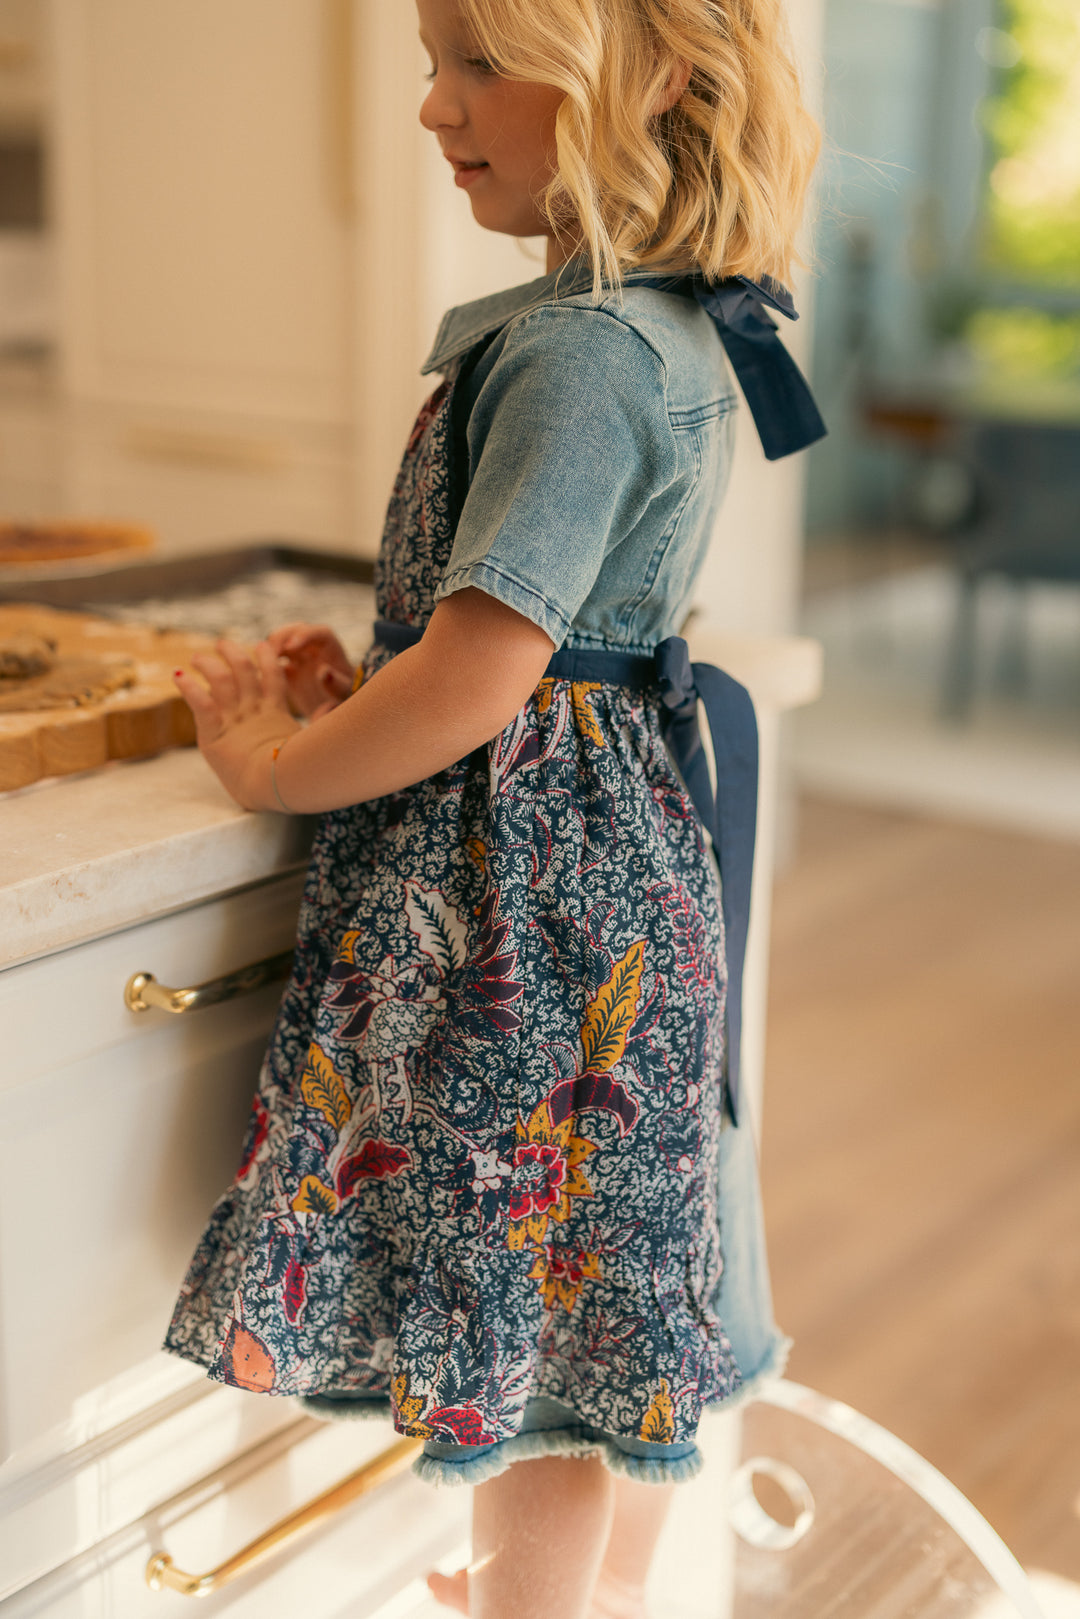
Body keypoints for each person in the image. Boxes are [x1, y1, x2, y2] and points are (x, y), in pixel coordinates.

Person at [166, 0, 823, 1613]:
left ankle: (534, 1607)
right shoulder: (664, 319)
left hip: (525, 899)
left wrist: (269, 766)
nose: (431, 107)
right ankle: (584, 1597)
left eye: (479, 60)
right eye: (431, 58)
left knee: (524, 1289)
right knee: (605, 1292)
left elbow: (483, 677)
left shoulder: (582, 348)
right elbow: (523, 638)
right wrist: (372, 674)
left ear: (652, 77)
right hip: (609, 853)